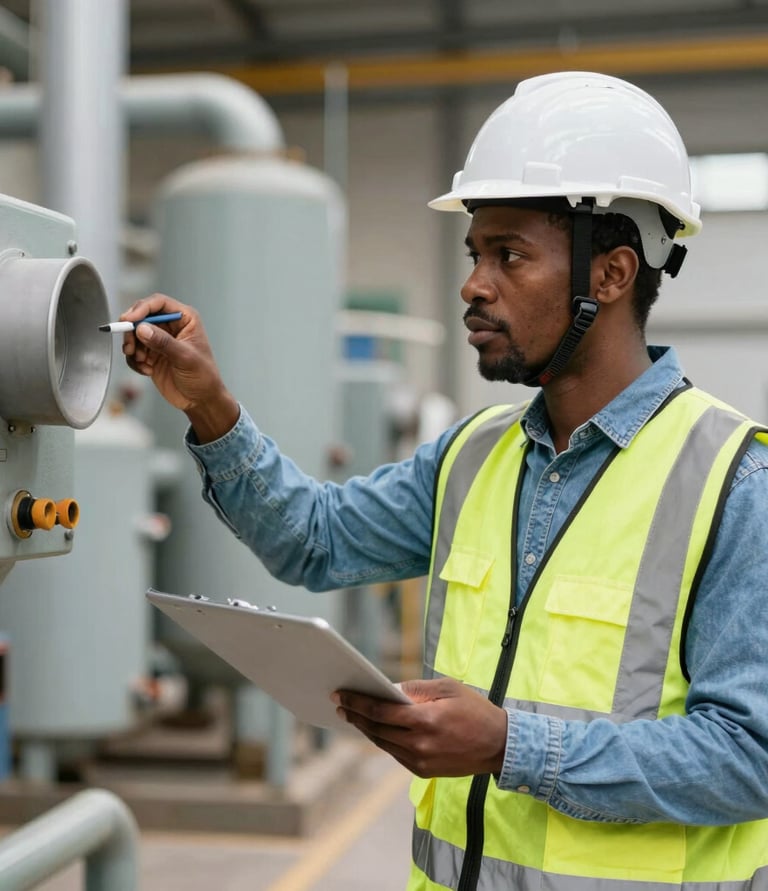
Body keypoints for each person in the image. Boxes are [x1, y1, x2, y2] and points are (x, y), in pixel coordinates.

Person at [122, 71, 768, 890]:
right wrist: (207, 404)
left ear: (610, 275)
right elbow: (310, 540)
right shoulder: (472, 455)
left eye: (509, 254)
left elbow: (751, 756)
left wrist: (509, 744)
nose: (473, 283)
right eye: (475, 253)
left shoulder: (735, 479)